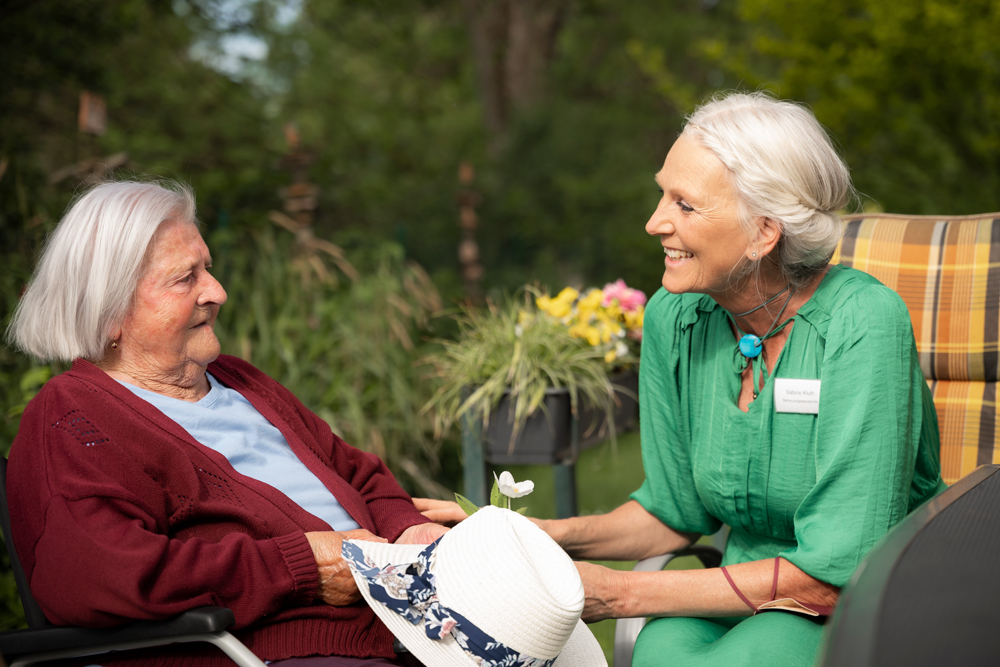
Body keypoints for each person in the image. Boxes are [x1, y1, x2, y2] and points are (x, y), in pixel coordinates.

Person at [416, 92, 946, 666]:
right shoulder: (677, 319)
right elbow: (673, 513)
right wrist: (528, 535)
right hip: (736, 591)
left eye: (685, 205)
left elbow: (833, 576)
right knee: (658, 652)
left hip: (866, 602)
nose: (654, 222)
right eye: (662, 193)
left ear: (763, 232)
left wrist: (618, 592)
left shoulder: (862, 324)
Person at [5, 180, 447, 667]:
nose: (218, 292)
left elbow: (360, 474)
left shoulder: (240, 380)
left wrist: (408, 530)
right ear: (110, 312)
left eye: (208, 270)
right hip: (277, 651)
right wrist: (300, 567)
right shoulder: (72, 418)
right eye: (184, 279)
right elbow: (90, 574)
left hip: (405, 627)